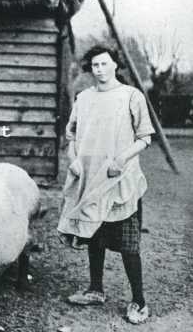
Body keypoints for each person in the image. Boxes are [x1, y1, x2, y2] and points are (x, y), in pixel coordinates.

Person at [57, 45, 155, 325]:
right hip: (89, 178)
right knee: (94, 236)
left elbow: (144, 137)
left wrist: (121, 159)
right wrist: (74, 159)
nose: (99, 69)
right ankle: (95, 290)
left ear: (116, 65)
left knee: (128, 244)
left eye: (104, 64)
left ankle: (139, 301)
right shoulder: (84, 98)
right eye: (95, 65)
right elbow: (71, 135)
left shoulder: (130, 96)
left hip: (119, 178)